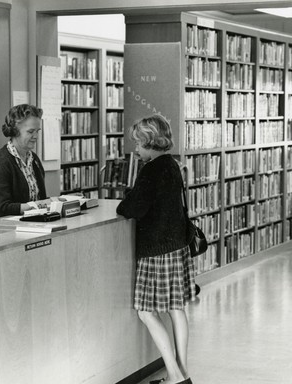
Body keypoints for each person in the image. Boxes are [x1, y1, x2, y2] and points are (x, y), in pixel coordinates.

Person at [116, 114, 196, 384]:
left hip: (157, 251)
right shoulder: (172, 165)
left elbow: (132, 209)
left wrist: (127, 196)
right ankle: (182, 373)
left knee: (145, 311)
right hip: (176, 245)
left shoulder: (150, 171)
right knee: (176, 308)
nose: (136, 150)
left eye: (138, 143)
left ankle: (173, 375)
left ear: (149, 141)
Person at [0, 104, 47, 219]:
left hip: (32, 225)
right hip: (6, 229)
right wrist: (34, 206)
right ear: (15, 131)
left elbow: (40, 199)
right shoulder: (0, 163)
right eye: (30, 132)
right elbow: (3, 208)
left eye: (38, 131)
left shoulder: (34, 159)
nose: (36, 136)